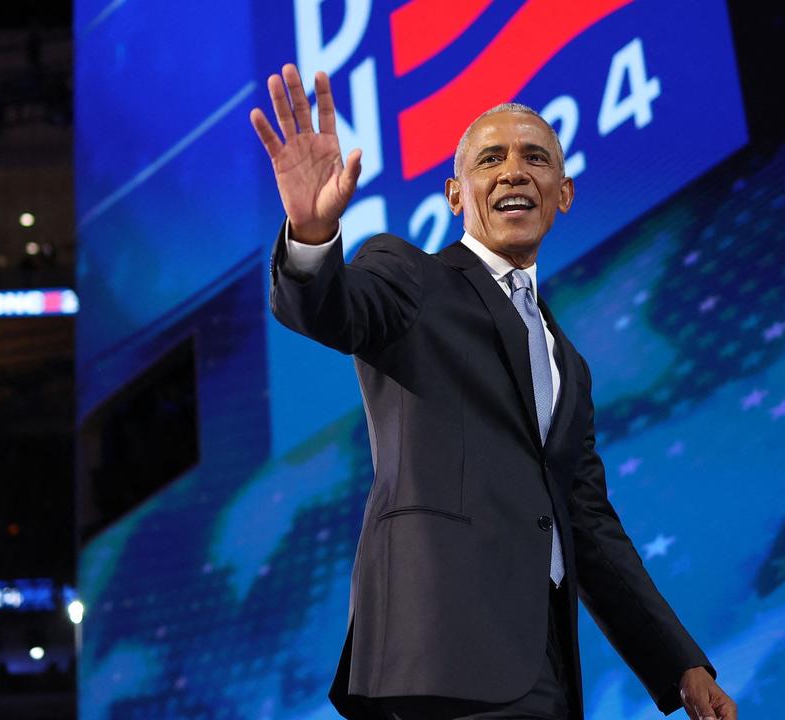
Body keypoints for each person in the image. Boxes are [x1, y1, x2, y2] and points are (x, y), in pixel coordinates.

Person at [250, 64, 737, 720]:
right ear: (455, 194)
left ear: (562, 193)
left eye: (534, 158)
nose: (512, 172)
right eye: (491, 159)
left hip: (541, 663)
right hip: (440, 642)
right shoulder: (409, 276)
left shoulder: (569, 363)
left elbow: (586, 523)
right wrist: (312, 236)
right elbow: (330, 309)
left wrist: (678, 661)